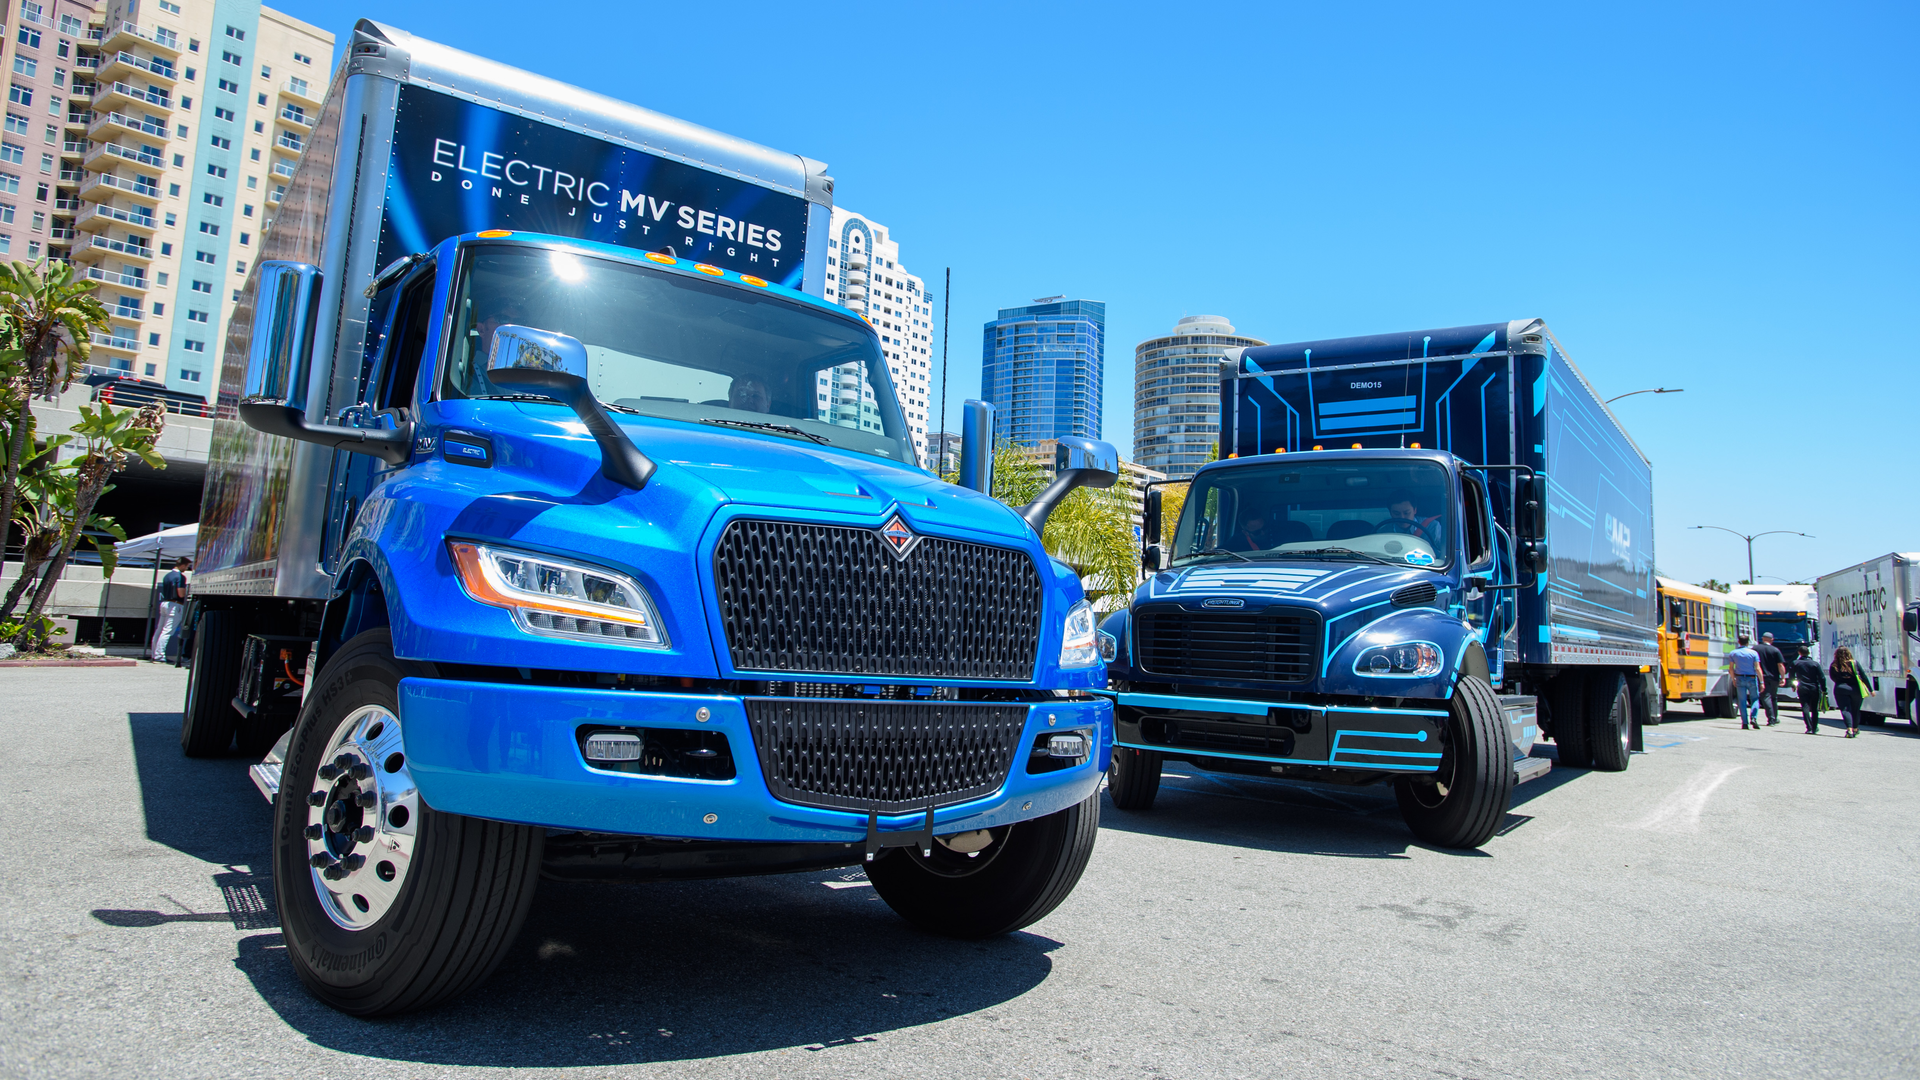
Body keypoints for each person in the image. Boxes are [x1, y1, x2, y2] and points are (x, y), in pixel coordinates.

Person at [150, 557, 190, 663]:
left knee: (159, 630)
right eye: (186, 566)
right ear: (182, 565)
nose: (186, 568)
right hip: (175, 605)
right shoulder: (180, 577)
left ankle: (155, 654)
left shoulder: (167, 575)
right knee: (167, 631)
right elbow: (180, 593)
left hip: (165, 603)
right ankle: (159, 656)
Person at [1829, 645, 1869, 738]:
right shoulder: (1854, 663)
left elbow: (1832, 677)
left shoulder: (1834, 665)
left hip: (1840, 688)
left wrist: (1840, 681)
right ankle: (1855, 728)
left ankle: (1849, 729)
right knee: (1856, 710)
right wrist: (1870, 689)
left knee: (1845, 710)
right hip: (1855, 689)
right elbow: (1863, 676)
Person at [1728, 634, 1763, 729]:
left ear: (1738, 642)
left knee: (1742, 701)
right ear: (1748, 642)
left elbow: (1731, 668)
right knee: (1755, 698)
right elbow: (1757, 668)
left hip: (1739, 678)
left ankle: (1744, 723)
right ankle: (1754, 717)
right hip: (1751, 677)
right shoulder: (1753, 653)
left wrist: (1733, 679)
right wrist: (1761, 682)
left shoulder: (1733, 653)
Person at [1791, 646, 1825, 734]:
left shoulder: (1796, 663)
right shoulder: (1815, 664)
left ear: (1799, 653)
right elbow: (1822, 677)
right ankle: (1814, 727)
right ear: (1809, 653)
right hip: (1814, 687)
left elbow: (1792, 675)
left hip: (1802, 687)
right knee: (1814, 708)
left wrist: (1793, 685)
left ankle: (1809, 727)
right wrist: (1824, 688)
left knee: (1805, 707)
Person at [1754, 632, 1787, 726]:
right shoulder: (1775, 650)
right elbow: (1780, 665)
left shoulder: (1755, 649)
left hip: (1761, 677)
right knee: (1773, 697)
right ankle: (1774, 718)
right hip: (1774, 677)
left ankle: (1771, 718)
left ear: (1762, 638)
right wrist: (1783, 677)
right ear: (1772, 640)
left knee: (1766, 697)